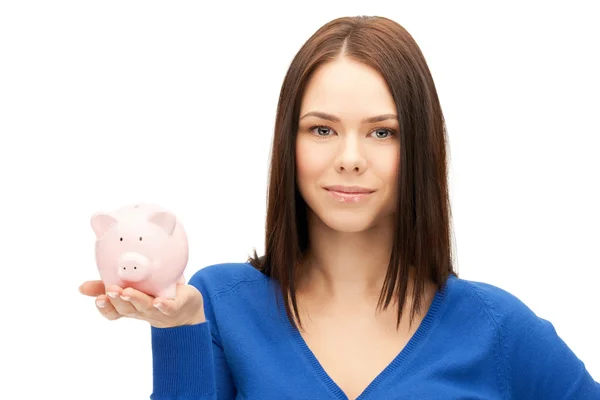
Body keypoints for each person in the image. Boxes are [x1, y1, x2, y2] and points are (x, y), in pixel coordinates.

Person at [79, 15, 600, 400]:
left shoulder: (497, 326)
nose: (350, 159)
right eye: (322, 129)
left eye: (382, 132)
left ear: (419, 149)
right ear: (291, 143)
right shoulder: (216, 304)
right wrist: (178, 332)